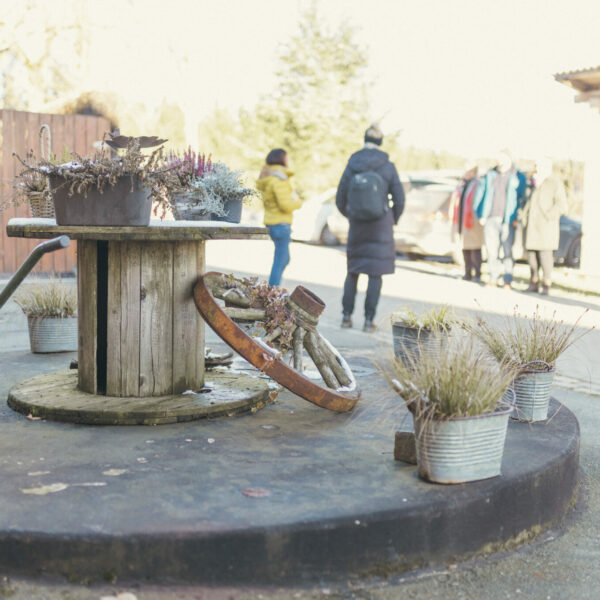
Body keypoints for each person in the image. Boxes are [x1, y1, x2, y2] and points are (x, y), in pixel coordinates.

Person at [336, 124, 405, 333]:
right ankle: (368, 321)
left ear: (364, 139)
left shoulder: (352, 164)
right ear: (380, 142)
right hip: (380, 227)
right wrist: (392, 218)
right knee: (375, 274)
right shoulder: (388, 166)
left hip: (357, 226)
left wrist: (352, 215)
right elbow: (400, 198)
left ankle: (346, 317)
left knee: (353, 271)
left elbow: (340, 198)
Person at [473, 150, 520, 288]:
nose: (500, 161)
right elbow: (479, 194)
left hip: (507, 220)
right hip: (490, 218)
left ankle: (507, 280)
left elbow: (521, 198)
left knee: (507, 251)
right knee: (492, 251)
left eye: (503, 158)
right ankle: (493, 278)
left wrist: (517, 216)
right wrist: (480, 214)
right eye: (498, 159)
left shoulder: (517, 177)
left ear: (509, 160)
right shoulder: (490, 175)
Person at [522, 157, 568, 295]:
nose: (537, 169)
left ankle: (546, 284)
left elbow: (562, 205)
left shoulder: (555, 183)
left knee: (545, 257)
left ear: (547, 168)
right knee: (532, 257)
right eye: (536, 166)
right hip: (531, 226)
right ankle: (533, 282)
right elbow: (526, 201)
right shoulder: (533, 182)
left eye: (539, 166)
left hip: (546, 227)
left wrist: (549, 216)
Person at [256, 148, 302, 287]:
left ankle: (272, 289)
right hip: (280, 224)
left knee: (283, 258)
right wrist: (298, 202)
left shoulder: (269, 177)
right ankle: (272, 290)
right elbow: (285, 205)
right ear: (282, 159)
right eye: (287, 157)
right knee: (281, 259)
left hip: (272, 222)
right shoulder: (279, 179)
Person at [449, 162, 483, 282]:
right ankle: (467, 273)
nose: (467, 173)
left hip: (473, 220)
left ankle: (477, 273)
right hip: (462, 219)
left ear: (474, 172)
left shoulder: (478, 184)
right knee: (465, 246)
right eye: (466, 171)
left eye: (469, 171)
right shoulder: (462, 184)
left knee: (475, 247)